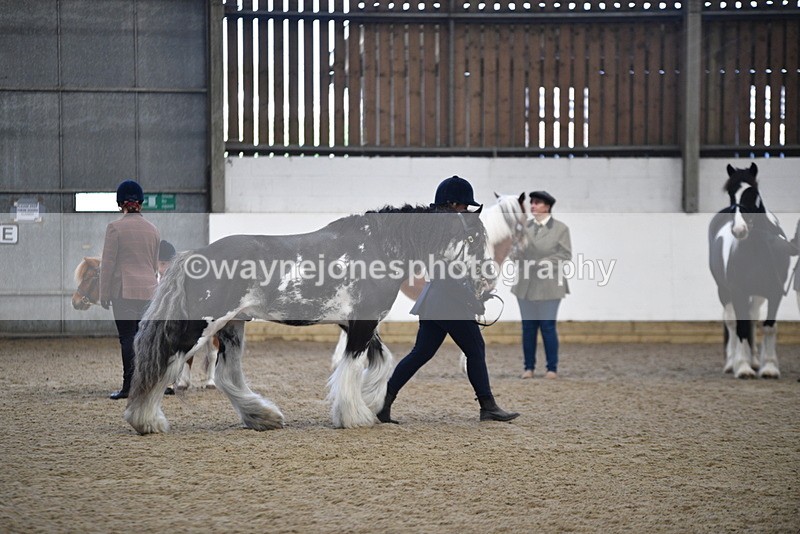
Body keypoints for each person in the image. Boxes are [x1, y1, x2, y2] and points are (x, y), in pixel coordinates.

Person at [377, 176, 520, 424]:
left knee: (420, 353)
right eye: (464, 205)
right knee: (476, 350)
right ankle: (488, 406)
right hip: (451, 301)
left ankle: (383, 402)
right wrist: (473, 294)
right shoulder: (454, 227)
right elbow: (458, 266)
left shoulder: (430, 226)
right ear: (454, 203)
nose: (466, 210)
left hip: (433, 299)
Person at [100, 180, 161, 400]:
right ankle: (146, 385)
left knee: (127, 337)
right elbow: (154, 264)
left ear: (120, 204)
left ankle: (128, 387)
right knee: (144, 339)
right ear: (140, 204)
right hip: (149, 291)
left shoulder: (115, 228)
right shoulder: (153, 229)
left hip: (123, 291)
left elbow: (107, 264)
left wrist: (104, 293)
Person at [512, 191, 572, 380]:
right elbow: (514, 253)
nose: (533, 206)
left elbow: (564, 255)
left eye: (537, 203)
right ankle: (528, 367)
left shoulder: (560, 229)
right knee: (528, 328)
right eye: (532, 202)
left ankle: (551, 368)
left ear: (547, 206)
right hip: (526, 284)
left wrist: (543, 262)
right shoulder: (523, 228)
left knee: (547, 326)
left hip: (549, 285)